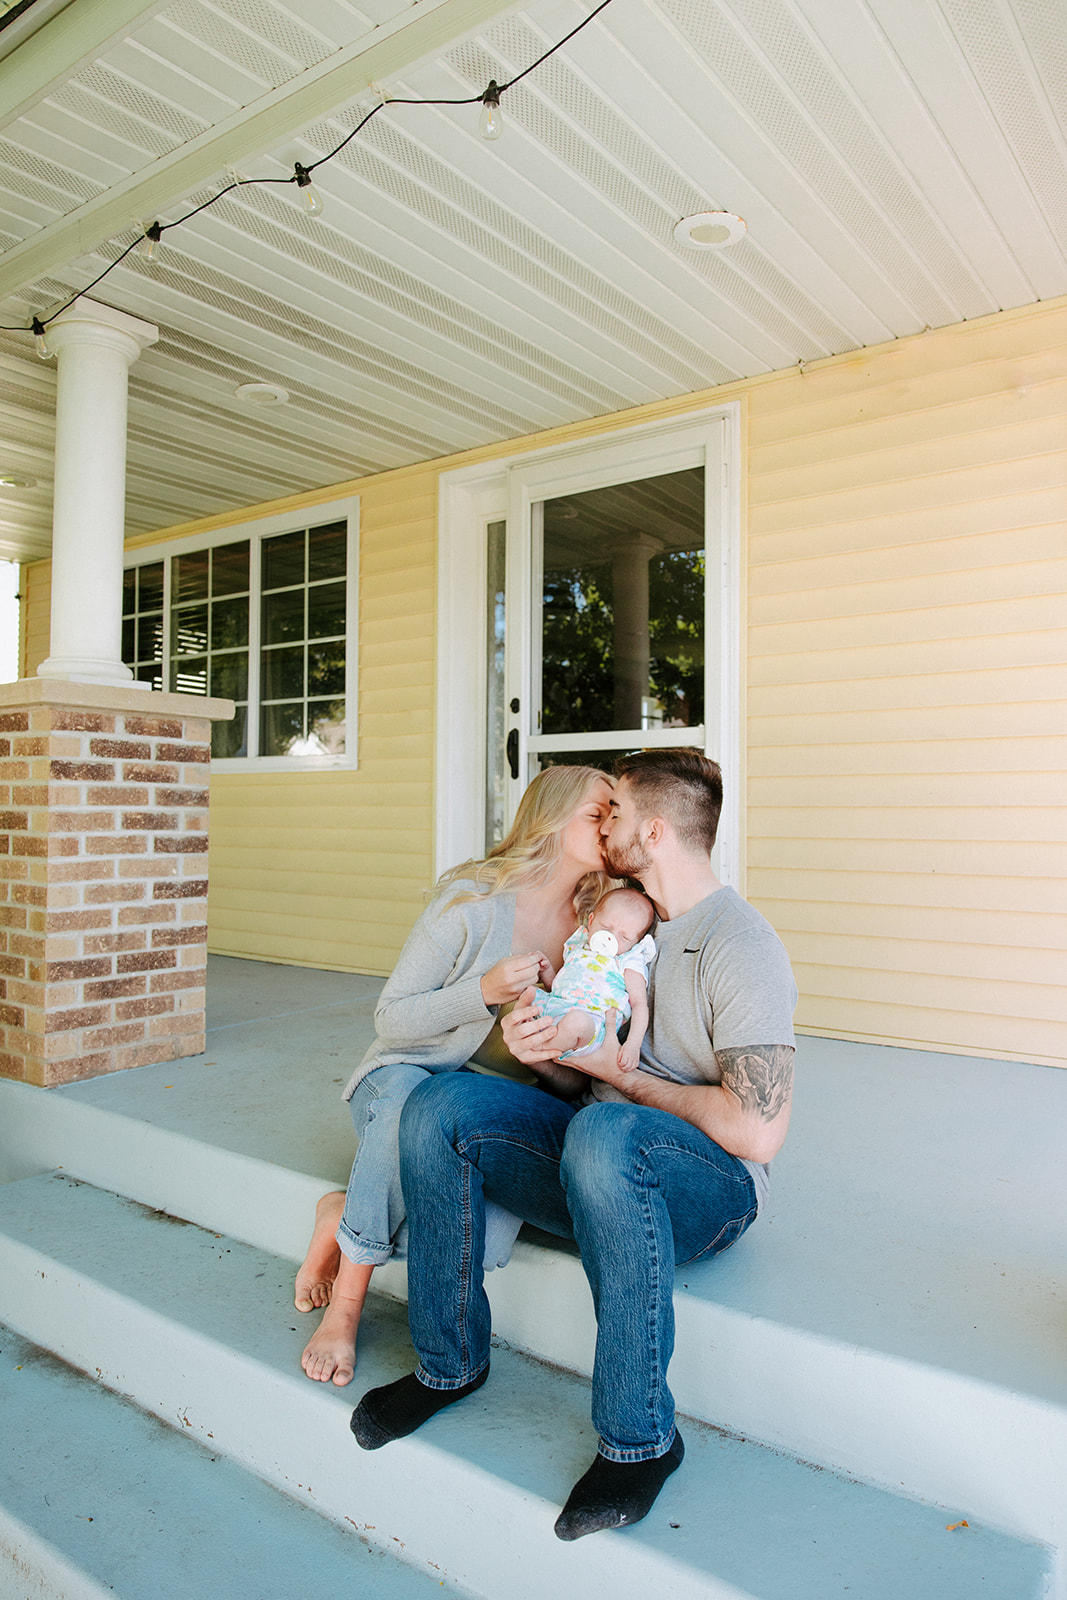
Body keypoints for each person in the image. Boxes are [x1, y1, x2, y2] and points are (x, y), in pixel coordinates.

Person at [350, 748, 798, 1542]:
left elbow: (758, 1131)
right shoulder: (614, 925)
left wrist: (622, 1083)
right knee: (442, 1104)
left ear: (652, 832)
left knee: (604, 1128)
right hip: (598, 1158)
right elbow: (578, 1090)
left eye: (616, 812)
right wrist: (549, 1058)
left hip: (707, 1193)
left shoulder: (739, 943)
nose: (605, 823)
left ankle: (640, 1441)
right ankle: (449, 1364)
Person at [295, 764, 617, 1387]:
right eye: (595, 813)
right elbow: (392, 1018)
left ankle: (343, 1212)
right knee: (408, 1109)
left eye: (615, 815)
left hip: (486, 1111)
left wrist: (543, 1055)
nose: (610, 826)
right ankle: (345, 1310)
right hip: (405, 1079)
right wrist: (483, 991)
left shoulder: (596, 934)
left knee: (486, 1246)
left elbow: (575, 1087)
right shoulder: (471, 900)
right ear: (550, 819)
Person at [534, 885, 656, 1067]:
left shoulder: (627, 960)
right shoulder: (580, 945)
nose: (611, 938)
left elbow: (639, 1005)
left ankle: (540, 1050)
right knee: (527, 994)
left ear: (636, 943)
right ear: (591, 921)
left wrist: (632, 1045)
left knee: (577, 1022)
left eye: (624, 937)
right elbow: (561, 987)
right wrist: (547, 972)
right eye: (605, 927)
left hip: (592, 1025)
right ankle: (540, 1042)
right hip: (558, 1008)